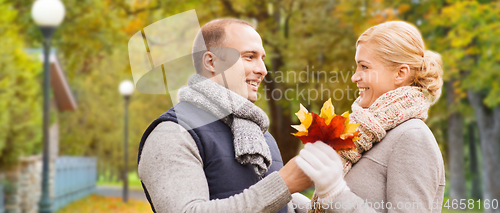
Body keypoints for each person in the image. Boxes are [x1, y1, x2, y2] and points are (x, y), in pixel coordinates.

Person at [137, 18, 313, 213]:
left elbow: (263, 194)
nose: (262, 70)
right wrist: (283, 185)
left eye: (262, 58)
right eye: (249, 56)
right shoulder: (172, 133)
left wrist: (323, 200)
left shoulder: (259, 134)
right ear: (211, 62)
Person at [294, 21, 445, 213]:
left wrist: (334, 192)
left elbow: (342, 201)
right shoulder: (365, 134)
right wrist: (289, 198)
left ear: (400, 73)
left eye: (364, 67)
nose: (355, 77)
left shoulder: (412, 137)